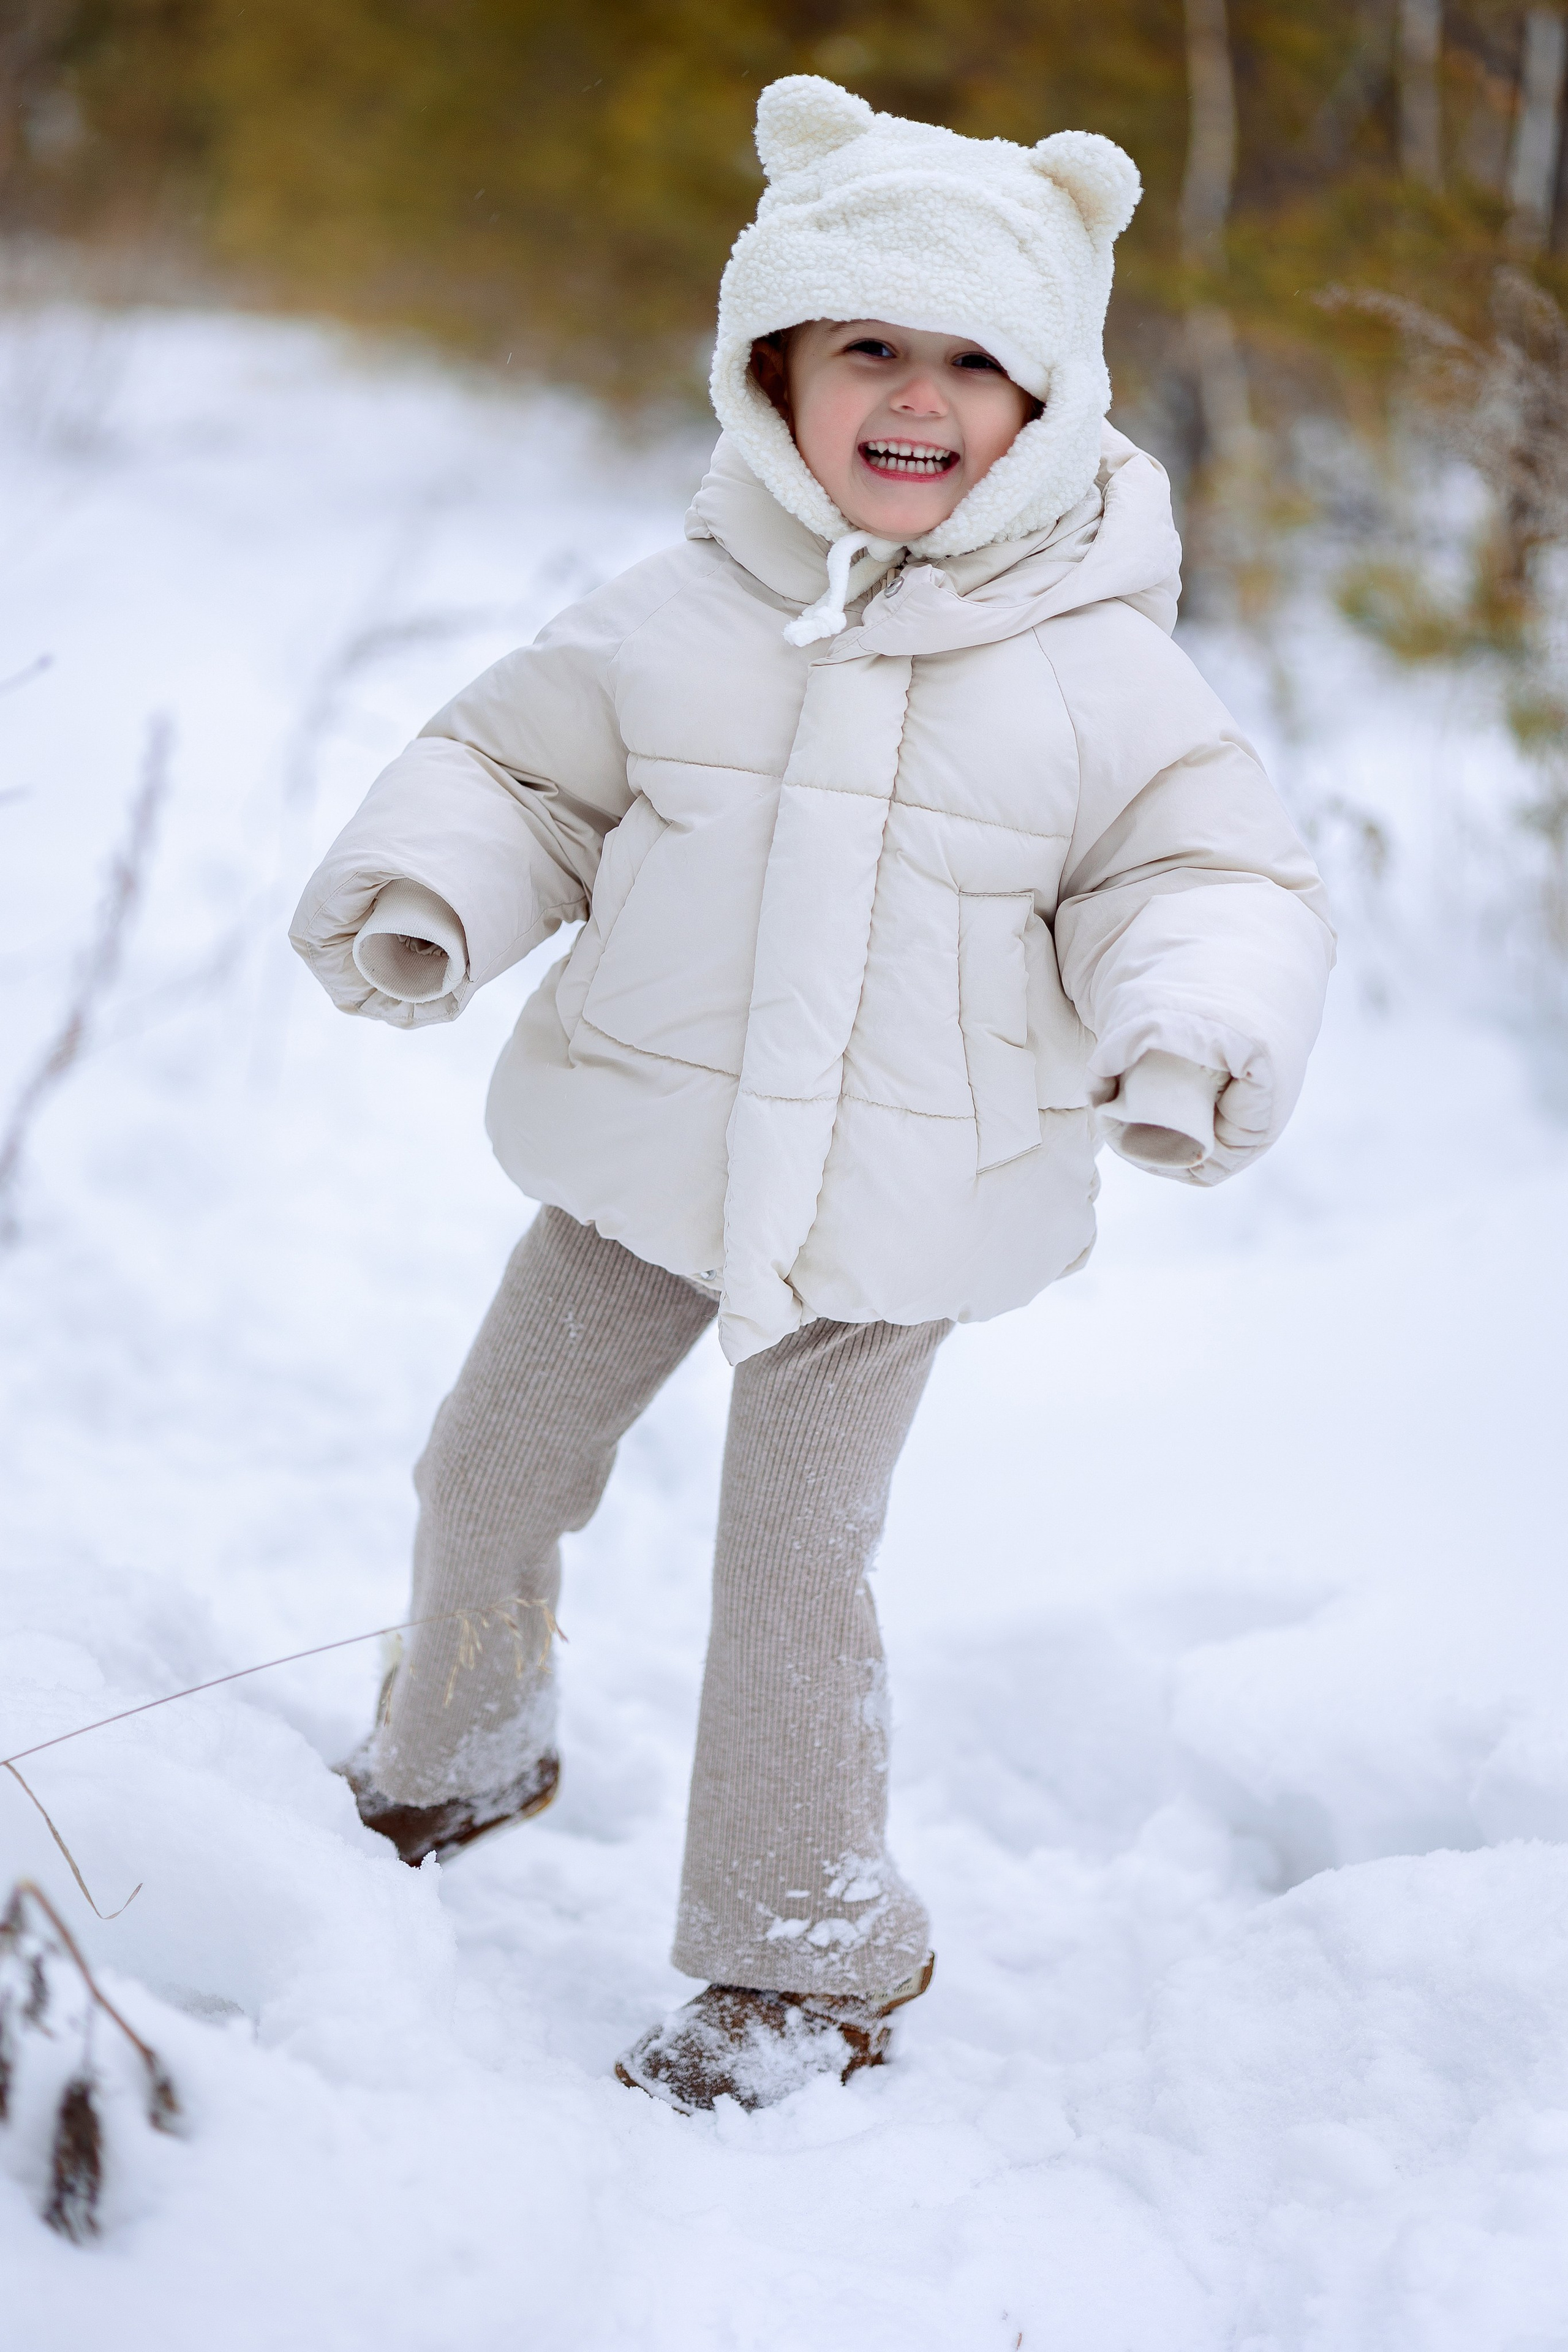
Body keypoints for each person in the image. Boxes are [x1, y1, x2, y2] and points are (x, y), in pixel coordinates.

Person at [289, 76, 1334, 2114]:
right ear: (772, 366)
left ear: (1049, 402)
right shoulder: (683, 609)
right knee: (487, 1466)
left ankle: (804, 1956)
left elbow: (1209, 879)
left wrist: (1193, 1022)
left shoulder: (1103, 673)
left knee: (788, 1576)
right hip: (645, 1155)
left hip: (895, 1213)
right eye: (869, 345)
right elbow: (521, 774)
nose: (917, 398)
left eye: (975, 362)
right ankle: (456, 1752)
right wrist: (437, 889)